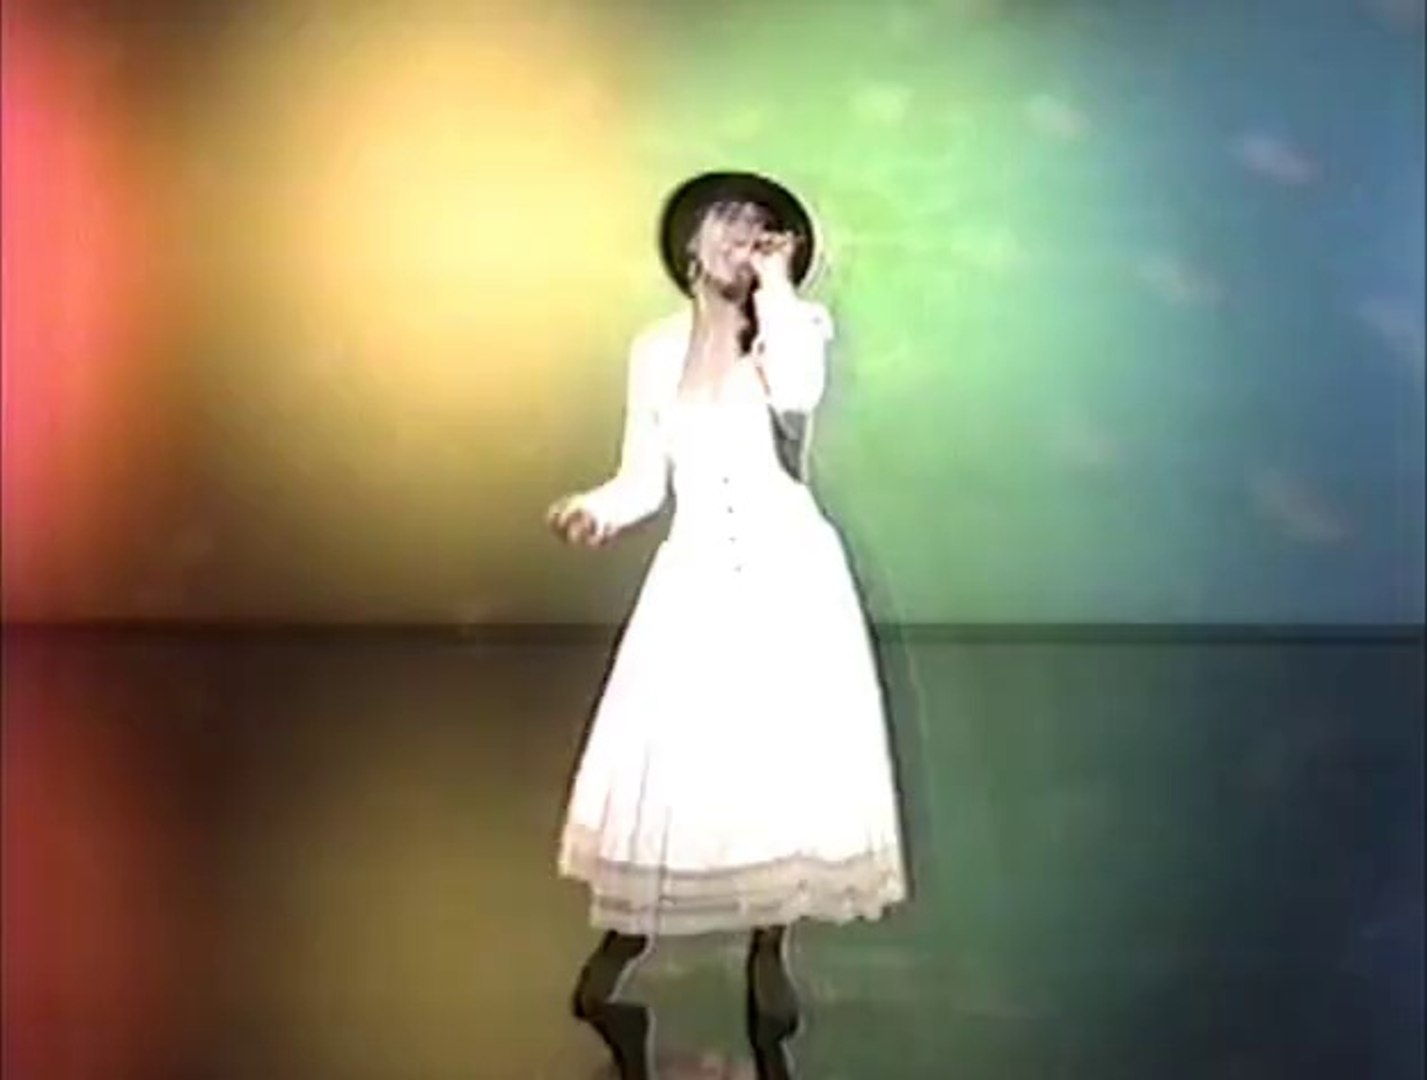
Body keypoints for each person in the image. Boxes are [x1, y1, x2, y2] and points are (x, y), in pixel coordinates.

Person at [546, 171, 906, 1079]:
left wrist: (777, 289)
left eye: (760, 229)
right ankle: (623, 942)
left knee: (774, 763)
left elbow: (796, 394)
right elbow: (643, 478)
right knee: (675, 760)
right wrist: (596, 510)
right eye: (729, 225)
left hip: (786, 572)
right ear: (691, 244)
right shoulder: (653, 350)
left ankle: (768, 949)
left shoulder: (794, 328)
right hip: (697, 572)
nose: (743, 240)